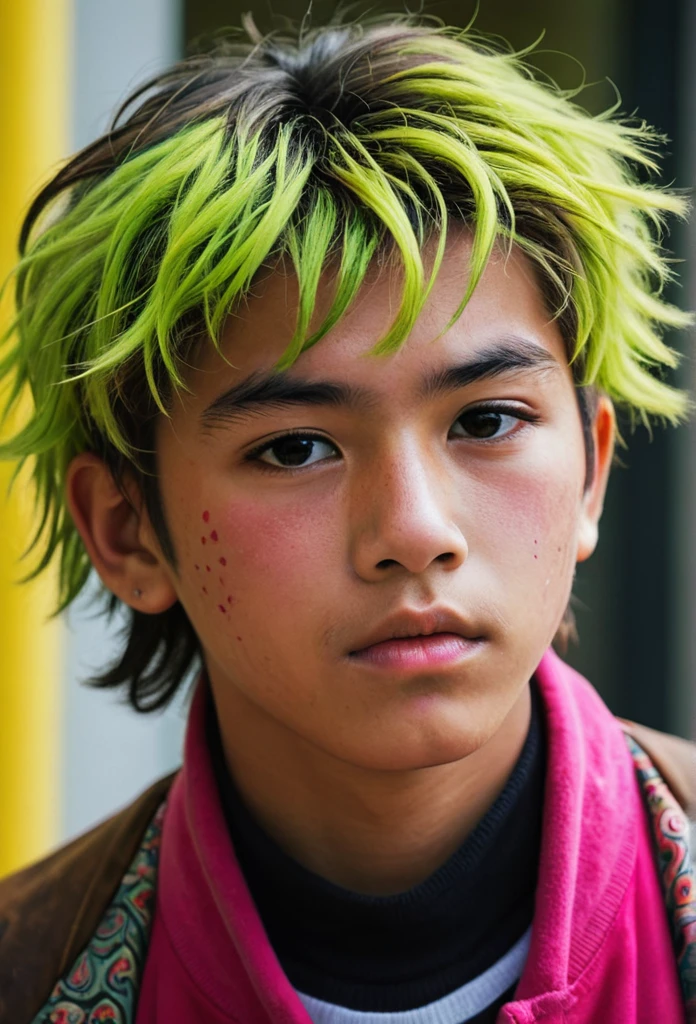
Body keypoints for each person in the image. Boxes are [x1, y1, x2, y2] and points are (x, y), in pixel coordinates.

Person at [0, 13, 694, 1024]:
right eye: (295, 447)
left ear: (591, 467)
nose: (414, 530)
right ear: (127, 531)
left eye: (487, 420)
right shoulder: (30, 980)